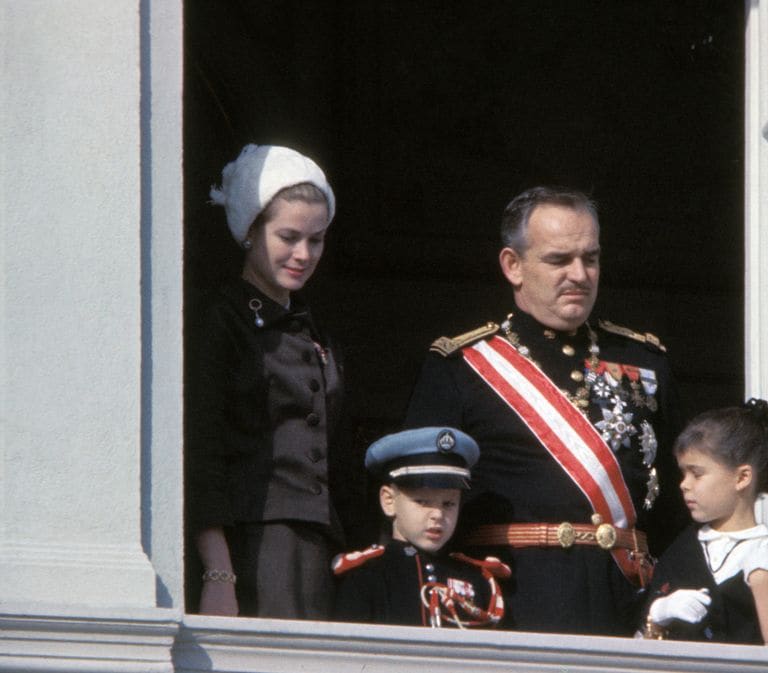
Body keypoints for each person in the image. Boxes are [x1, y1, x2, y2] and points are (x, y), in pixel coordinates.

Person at [403, 186, 687, 635]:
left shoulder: (646, 361)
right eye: (559, 260)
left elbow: (677, 507)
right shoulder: (461, 367)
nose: (579, 274)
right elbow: (420, 506)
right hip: (515, 606)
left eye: (590, 258)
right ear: (513, 266)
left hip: (627, 605)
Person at [186, 144, 367, 619]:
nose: (303, 254)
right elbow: (201, 451)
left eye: (317, 239)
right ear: (250, 231)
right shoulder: (220, 321)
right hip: (252, 546)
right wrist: (218, 571)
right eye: (288, 236)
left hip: (320, 546)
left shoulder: (317, 333)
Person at [639, 398, 768, 647]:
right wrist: (658, 613)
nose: (684, 484)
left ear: (742, 477)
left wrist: (762, 581)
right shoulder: (681, 550)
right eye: (683, 473)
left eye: (697, 474)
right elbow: (639, 654)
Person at [333, 427, 510, 628]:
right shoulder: (368, 576)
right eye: (422, 501)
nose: (437, 514)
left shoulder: (477, 580)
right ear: (388, 501)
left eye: (448, 503)